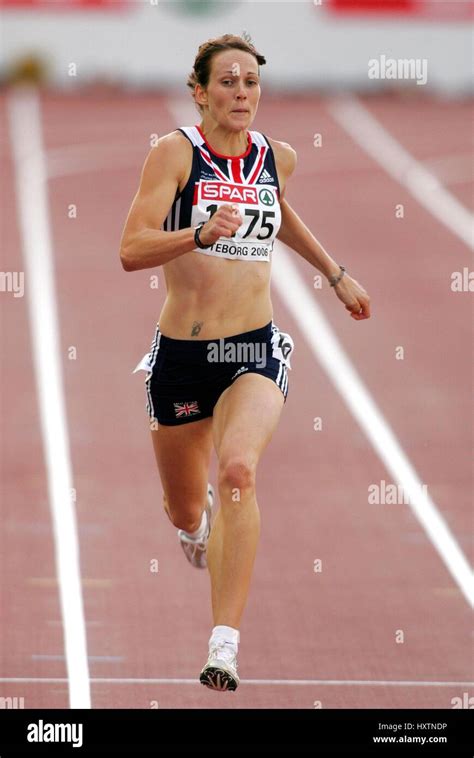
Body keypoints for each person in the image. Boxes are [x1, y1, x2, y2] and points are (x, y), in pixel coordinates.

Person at [119, 33, 370, 692]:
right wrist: (197, 233)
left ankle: (223, 645)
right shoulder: (175, 153)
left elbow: (279, 214)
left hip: (252, 351)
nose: (241, 94)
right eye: (227, 82)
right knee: (182, 507)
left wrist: (335, 274)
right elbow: (131, 248)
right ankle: (195, 525)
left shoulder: (274, 157)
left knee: (237, 471)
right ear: (198, 91)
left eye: (251, 83)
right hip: (181, 356)